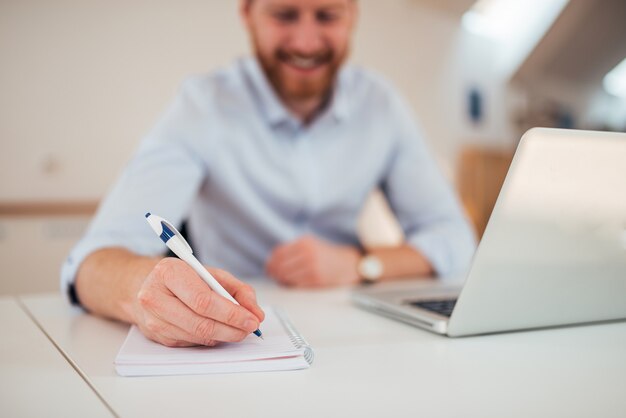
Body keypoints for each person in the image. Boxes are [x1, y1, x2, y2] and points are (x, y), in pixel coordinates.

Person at [61, 0, 476, 347]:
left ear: (353, 14)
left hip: (358, 336)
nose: (306, 41)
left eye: (327, 15)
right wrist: (142, 289)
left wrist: (361, 264)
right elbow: (90, 263)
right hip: (231, 340)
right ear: (248, 13)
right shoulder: (202, 105)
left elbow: (456, 237)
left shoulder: (382, 105)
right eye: (284, 14)